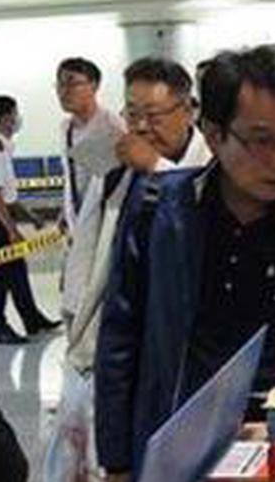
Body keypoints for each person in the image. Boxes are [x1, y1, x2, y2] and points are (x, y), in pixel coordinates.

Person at [95, 46, 275, 482]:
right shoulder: (159, 213)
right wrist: (117, 456)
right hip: (179, 446)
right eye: (261, 141)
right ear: (214, 134)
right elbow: (121, 334)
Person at [64, 57, 209, 374]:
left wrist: (156, 166)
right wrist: (74, 312)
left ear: (187, 111)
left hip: (185, 335)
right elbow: (87, 242)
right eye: (132, 114)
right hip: (120, 332)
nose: (141, 126)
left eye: (153, 116)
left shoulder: (213, 163)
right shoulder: (117, 165)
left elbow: (205, 222)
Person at [0, 95, 60, 345]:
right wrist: (11, 229)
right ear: (5, 118)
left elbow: (7, 194)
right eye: (14, 113)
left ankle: (32, 319)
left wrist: (30, 216)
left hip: (0, 214)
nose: (17, 118)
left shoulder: (3, 146)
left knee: (17, 271)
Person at [56, 57, 125, 325]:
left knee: (96, 307)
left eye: (72, 83)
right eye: (60, 84)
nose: (64, 91)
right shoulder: (65, 128)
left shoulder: (112, 127)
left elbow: (115, 188)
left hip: (103, 230)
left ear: (94, 85)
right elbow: (71, 176)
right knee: (74, 303)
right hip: (75, 227)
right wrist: (65, 212)